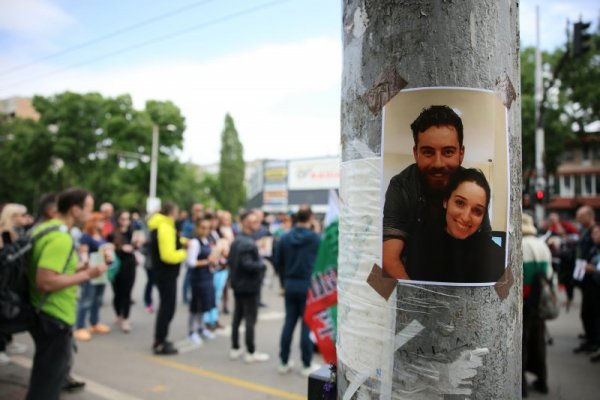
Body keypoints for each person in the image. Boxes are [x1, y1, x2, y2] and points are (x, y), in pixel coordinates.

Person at [382, 105, 490, 280]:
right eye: (428, 152)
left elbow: (485, 250)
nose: (438, 163)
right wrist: (421, 303)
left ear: (461, 153)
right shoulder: (401, 186)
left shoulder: (472, 186)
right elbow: (389, 260)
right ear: (416, 153)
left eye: (448, 152)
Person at [26, 188, 107, 400]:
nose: (91, 215)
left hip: (41, 310)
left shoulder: (44, 228)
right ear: (75, 209)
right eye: (88, 209)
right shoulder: (61, 238)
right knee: (48, 382)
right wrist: (88, 274)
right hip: (54, 315)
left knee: (43, 375)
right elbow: (46, 281)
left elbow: (52, 270)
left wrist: (79, 268)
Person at [407, 168, 505, 283]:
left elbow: (507, 296)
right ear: (446, 201)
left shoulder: (496, 255)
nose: (465, 217)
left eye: (477, 211)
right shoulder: (420, 244)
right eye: (460, 203)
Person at [274, 207, 321, 376]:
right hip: (308, 285)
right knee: (306, 326)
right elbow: (323, 262)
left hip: (290, 284)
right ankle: (306, 364)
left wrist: (283, 281)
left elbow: (277, 261)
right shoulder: (316, 238)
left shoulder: (285, 237)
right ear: (311, 217)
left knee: (289, 323)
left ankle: (283, 361)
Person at [227, 211, 269, 363]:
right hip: (248, 286)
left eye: (257, 221)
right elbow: (247, 264)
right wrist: (261, 265)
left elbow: (231, 262)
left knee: (237, 317)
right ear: (244, 223)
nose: (256, 224)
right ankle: (250, 351)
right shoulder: (246, 242)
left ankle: (235, 347)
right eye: (253, 222)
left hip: (239, 284)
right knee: (249, 319)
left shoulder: (238, 240)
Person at [148, 201, 187, 355]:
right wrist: (184, 253)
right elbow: (168, 255)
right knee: (167, 308)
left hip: (164, 273)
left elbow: (169, 244)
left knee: (167, 306)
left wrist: (183, 242)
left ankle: (161, 338)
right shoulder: (165, 227)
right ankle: (160, 341)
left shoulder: (164, 225)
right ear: (172, 212)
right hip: (166, 273)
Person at [521, 213, 552, 397]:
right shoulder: (542, 245)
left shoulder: (522, 245)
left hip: (526, 302)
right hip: (540, 303)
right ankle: (543, 381)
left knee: (522, 343)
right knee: (539, 343)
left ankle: (521, 386)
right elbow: (549, 275)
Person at [74, 212, 112, 341]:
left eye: (103, 221)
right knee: (86, 300)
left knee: (97, 299)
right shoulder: (86, 236)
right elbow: (83, 253)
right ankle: (80, 327)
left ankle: (94, 322)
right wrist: (86, 266)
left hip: (101, 270)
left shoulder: (100, 235)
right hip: (91, 270)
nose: (102, 223)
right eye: (100, 220)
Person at [0, 203, 29, 364]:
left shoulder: (17, 233)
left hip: (12, 281)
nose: (24, 218)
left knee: (9, 313)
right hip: (4, 282)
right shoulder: (4, 233)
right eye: (21, 215)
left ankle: (7, 342)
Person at [185, 217, 218, 344]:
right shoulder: (194, 242)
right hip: (198, 278)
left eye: (207, 228)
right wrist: (207, 261)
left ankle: (201, 328)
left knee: (205, 304)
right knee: (196, 306)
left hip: (207, 276)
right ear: (197, 228)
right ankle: (191, 331)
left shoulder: (207, 240)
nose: (205, 230)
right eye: (202, 227)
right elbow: (191, 262)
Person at [109, 210, 141, 333]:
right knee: (117, 293)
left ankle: (126, 318)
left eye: (127, 219)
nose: (125, 221)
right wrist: (120, 248)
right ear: (118, 220)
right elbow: (109, 249)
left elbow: (136, 247)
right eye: (123, 218)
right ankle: (119, 315)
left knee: (127, 293)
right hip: (117, 265)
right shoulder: (113, 234)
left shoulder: (132, 232)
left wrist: (137, 244)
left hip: (129, 265)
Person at [573, 205, 597, 354]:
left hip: (593, 277)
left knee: (591, 312)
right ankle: (590, 338)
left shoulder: (595, 231)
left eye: (580, 217)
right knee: (587, 311)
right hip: (584, 275)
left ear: (589, 216)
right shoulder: (584, 231)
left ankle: (593, 342)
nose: (578, 220)